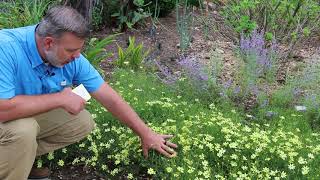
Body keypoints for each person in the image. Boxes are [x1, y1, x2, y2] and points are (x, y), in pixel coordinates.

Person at [0, 5, 177, 180]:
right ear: (48, 42)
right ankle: (14, 163)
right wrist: (59, 99)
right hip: (6, 116)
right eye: (71, 50)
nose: (77, 56)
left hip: (16, 119)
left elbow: (110, 98)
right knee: (23, 131)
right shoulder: (6, 48)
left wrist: (145, 133)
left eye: (79, 49)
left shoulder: (72, 58)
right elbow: (3, 110)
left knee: (81, 122)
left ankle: (17, 160)